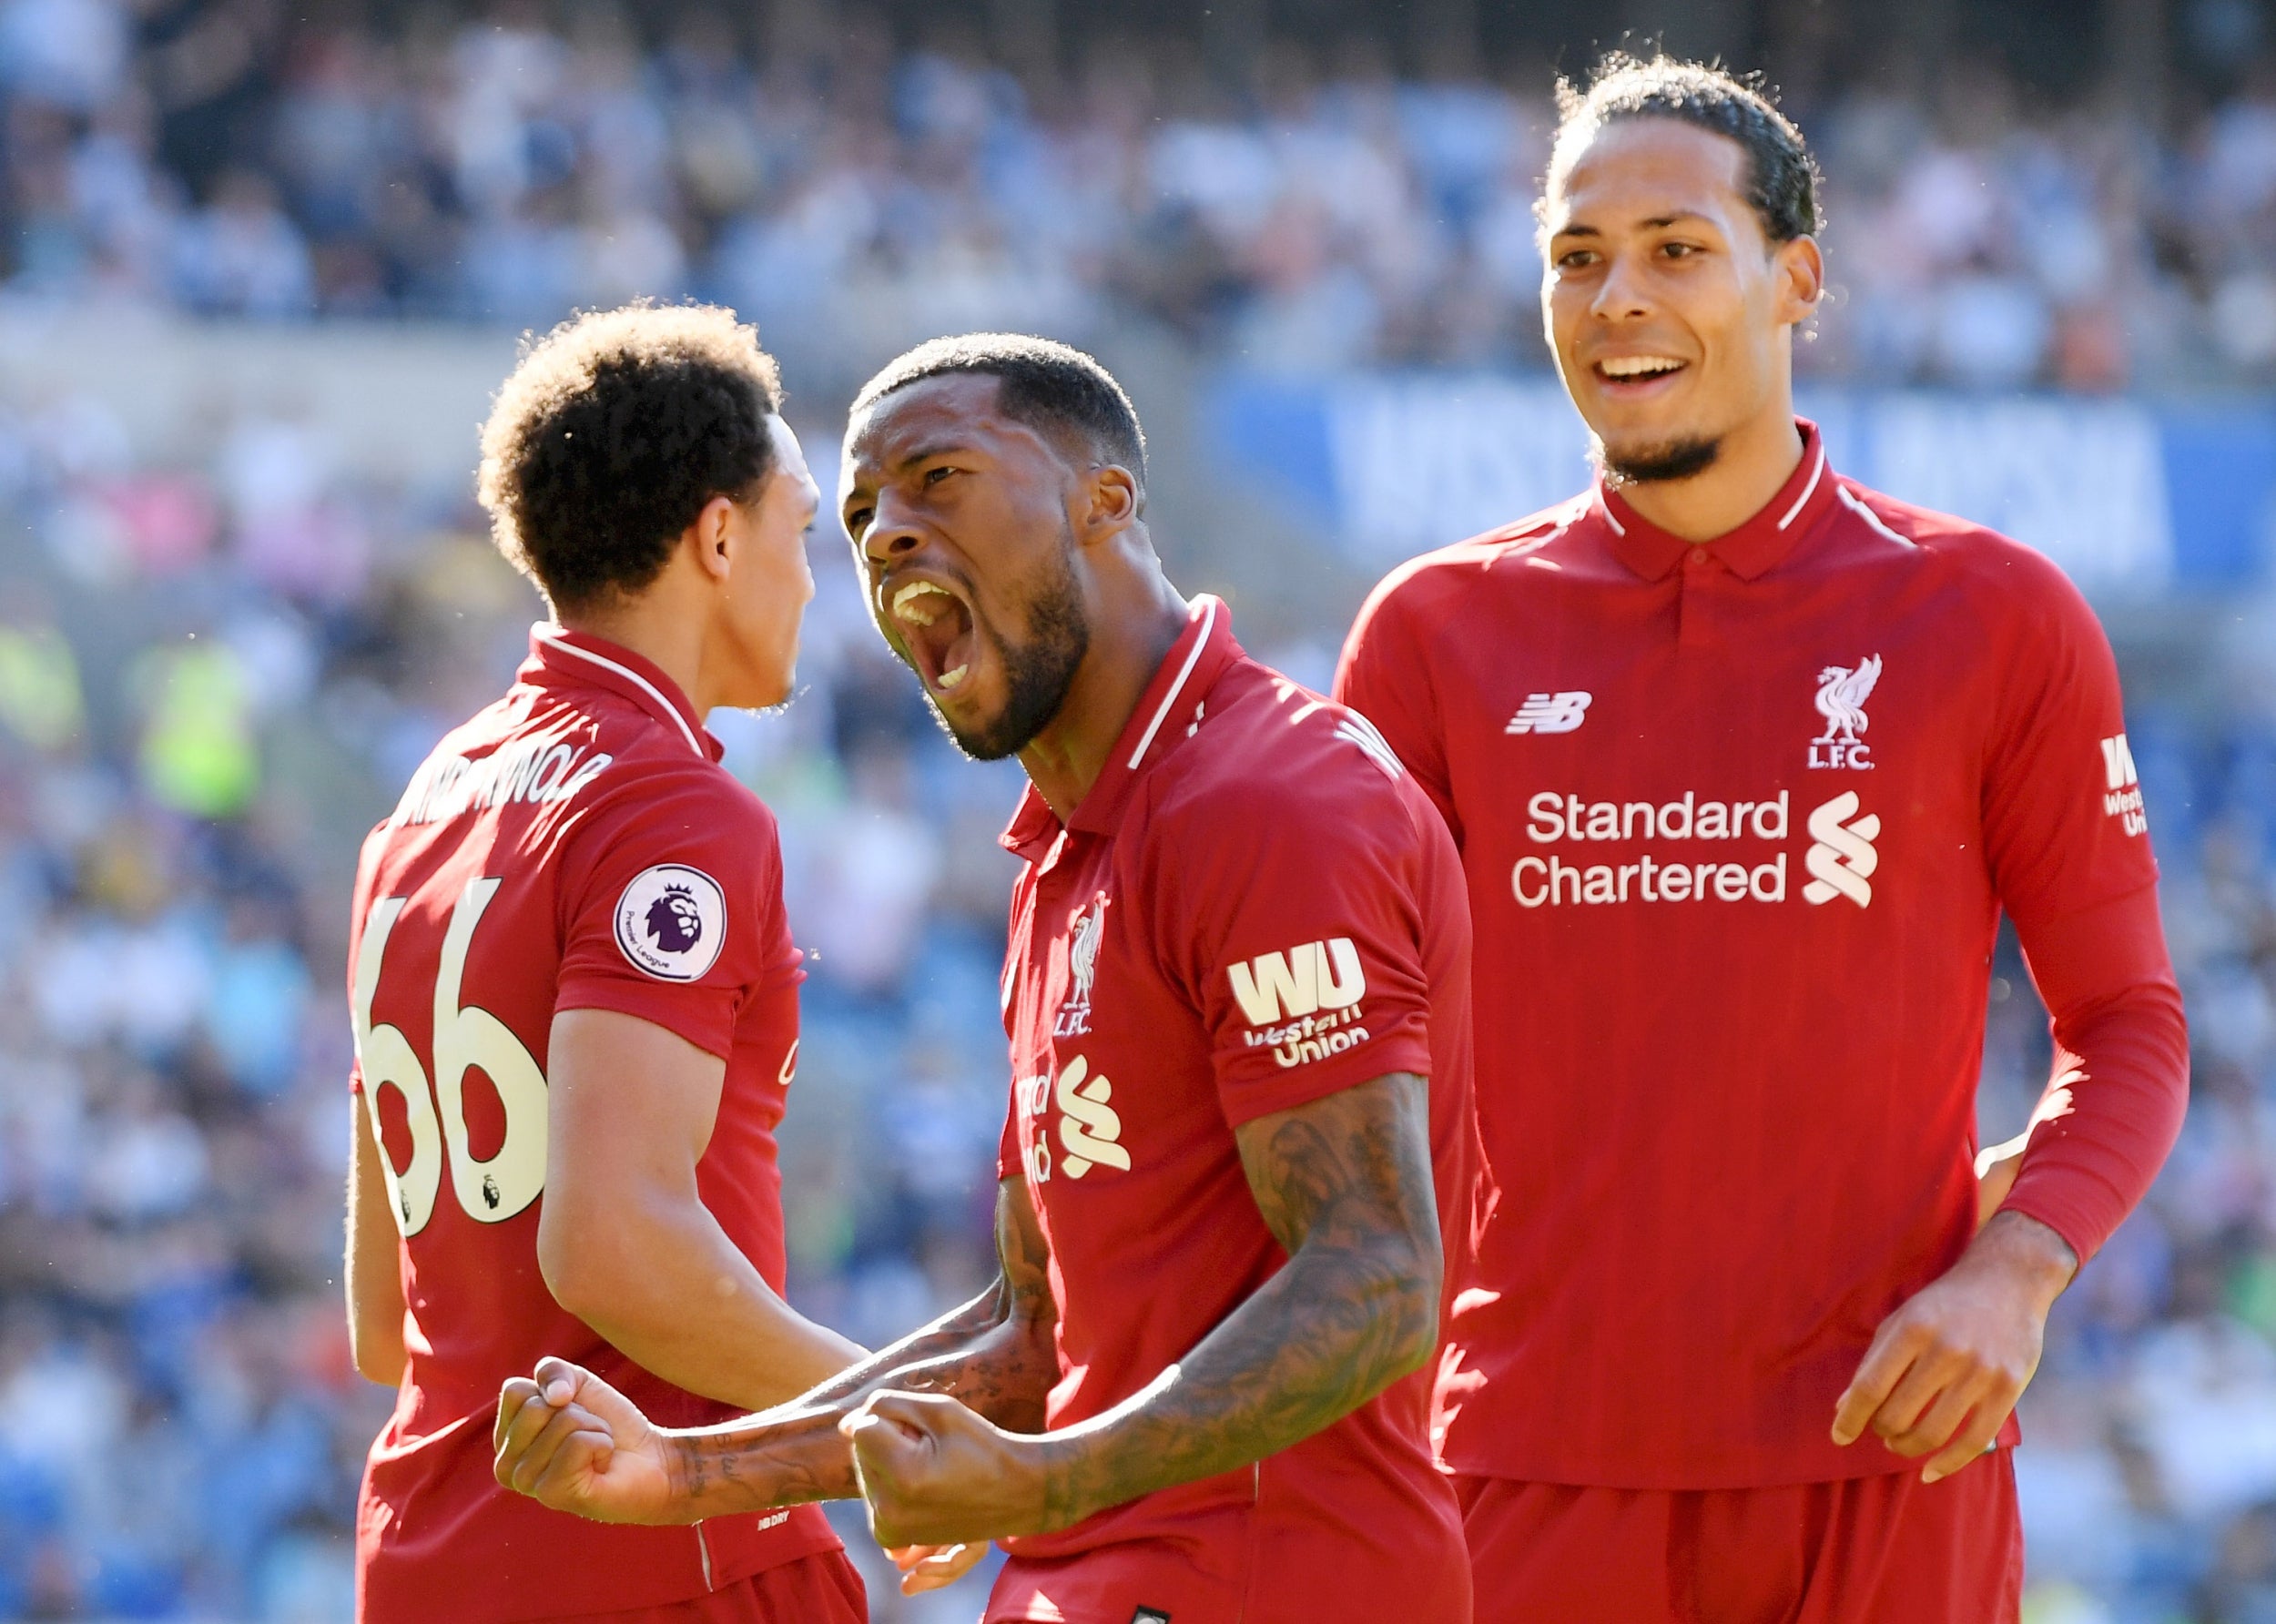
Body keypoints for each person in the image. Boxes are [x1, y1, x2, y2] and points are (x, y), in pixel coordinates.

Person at [1333, 56, 2190, 1623]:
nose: (1618, 299)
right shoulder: (1432, 633)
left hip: (1887, 1454)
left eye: (1676, 247)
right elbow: (1352, 1067)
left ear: (1797, 276)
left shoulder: (1991, 617)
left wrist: (2020, 1266)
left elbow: (2129, 1023)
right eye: (1577, 257)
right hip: (1523, 1463)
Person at [489, 333, 1478, 1624]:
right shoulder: (1062, 858)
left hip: (1273, 1577)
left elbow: (1379, 1275)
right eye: (858, 514)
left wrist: (1049, 1482)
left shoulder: (1270, 800)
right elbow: (1037, 1330)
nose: (886, 534)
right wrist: (684, 1473)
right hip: (1090, 1577)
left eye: (937, 480)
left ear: (1104, 501)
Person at [342, 303, 869, 1624]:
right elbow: (617, 1245)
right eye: (805, 528)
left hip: (428, 1557)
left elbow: (382, 1320)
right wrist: (900, 1424)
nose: (815, 576)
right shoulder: (667, 809)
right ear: (719, 534)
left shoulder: (423, 805)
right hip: (657, 1563)